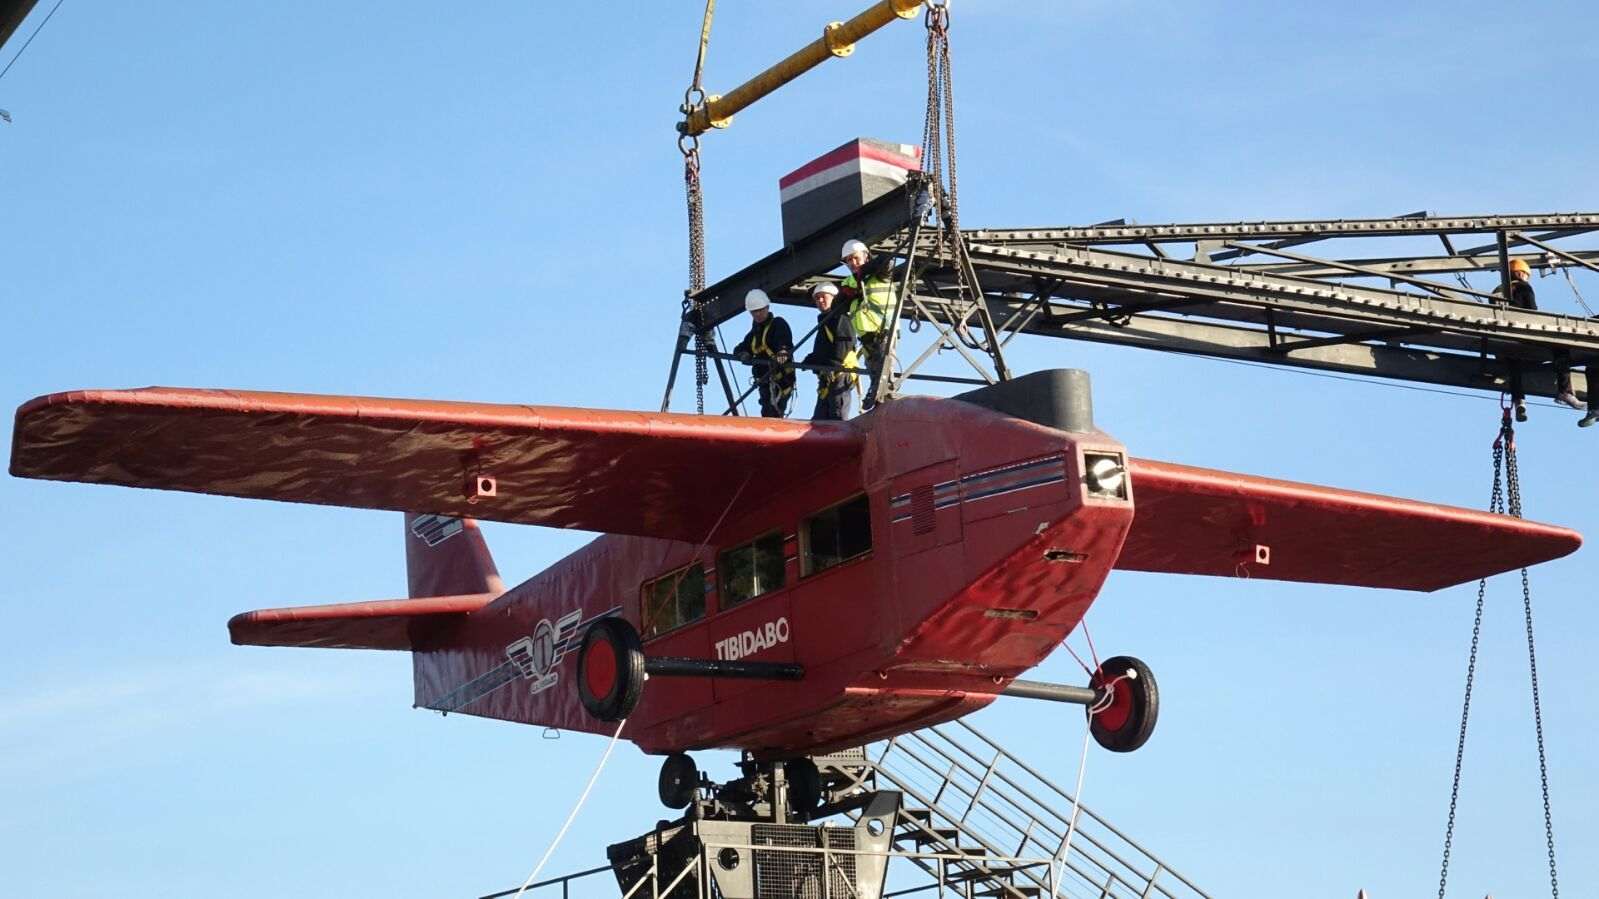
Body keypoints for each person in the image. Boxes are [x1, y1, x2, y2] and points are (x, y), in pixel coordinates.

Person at [1493, 258, 1581, 420]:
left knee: (1514, 361)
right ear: (1520, 273)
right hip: (1524, 337)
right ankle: (1564, 392)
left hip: (1501, 345)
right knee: (1561, 348)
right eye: (1526, 275)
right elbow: (1532, 312)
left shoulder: (1496, 291)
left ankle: (1519, 400)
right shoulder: (1523, 287)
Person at [837, 238, 897, 410]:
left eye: (855, 258)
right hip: (866, 337)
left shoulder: (879, 274)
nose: (852, 263)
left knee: (884, 373)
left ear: (866, 256)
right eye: (848, 260)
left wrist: (863, 271)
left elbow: (887, 260)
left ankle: (885, 401)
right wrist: (847, 294)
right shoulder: (849, 282)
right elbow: (837, 306)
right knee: (874, 371)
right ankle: (880, 402)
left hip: (884, 331)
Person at [733, 289, 795, 418]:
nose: (758, 314)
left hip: (781, 382)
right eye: (754, 311)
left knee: (773, 414)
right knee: (767, 415)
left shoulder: (778, 324)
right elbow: (740, 348)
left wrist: (782, 352)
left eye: (761, 310)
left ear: (767, 307)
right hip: (765, 382)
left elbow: (785, 343)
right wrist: (743, 354)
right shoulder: (754, 334)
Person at [800, 282, 857, 421]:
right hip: (828, 377)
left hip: (840, 375)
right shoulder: (826, 320)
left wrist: (832, 364)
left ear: (833, 297)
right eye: (817, 298)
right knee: (819, 421)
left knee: (837, 418)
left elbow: (845, 343)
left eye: (823, 297)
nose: (820, 300)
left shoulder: (840, 317)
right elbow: (824, 350)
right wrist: (811, 360)